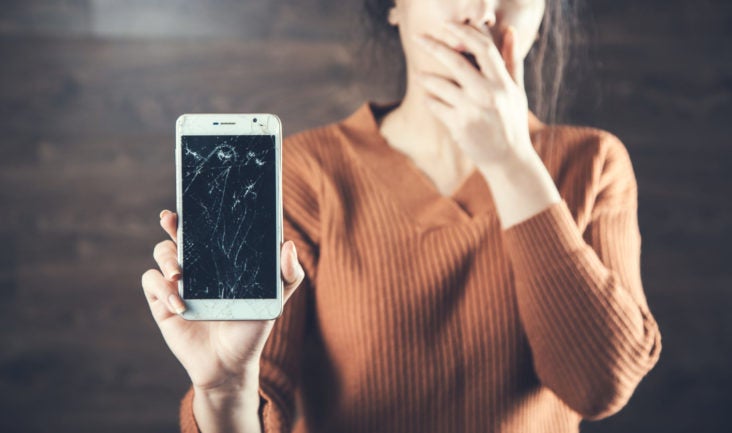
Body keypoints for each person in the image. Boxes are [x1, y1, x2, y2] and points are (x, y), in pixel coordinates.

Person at [141, 0, 662, 432]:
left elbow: (599, 386)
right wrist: (226, 388)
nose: (480, 12)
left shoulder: (593, 163)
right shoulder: (309, 173)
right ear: (395, 6)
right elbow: (261, 399)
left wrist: (511, 162)